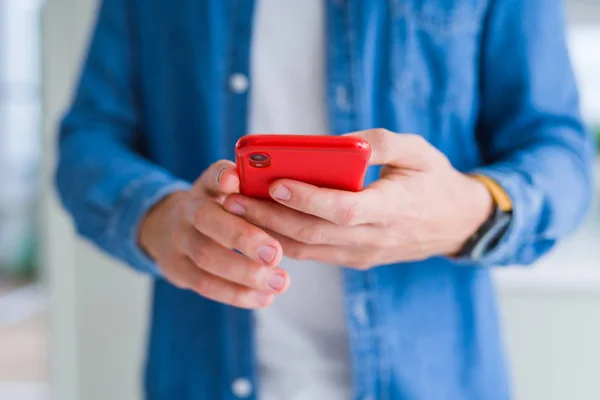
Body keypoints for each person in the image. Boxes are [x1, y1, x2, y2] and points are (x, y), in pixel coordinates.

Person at [55, 0, 594, 399]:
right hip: (200, 378)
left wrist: (469, 212)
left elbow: (561, 153)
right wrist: (158, 218)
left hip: (437, 380)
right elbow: (89, 140)